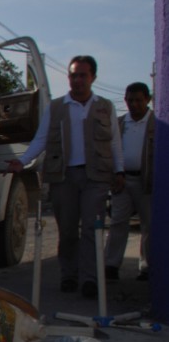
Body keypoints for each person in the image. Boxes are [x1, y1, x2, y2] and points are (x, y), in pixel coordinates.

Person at [8, 55, 124, 299]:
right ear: (68, 78)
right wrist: (24, 160)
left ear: (93, 77)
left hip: (96, 177)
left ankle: (91, 279)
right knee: (68, 230)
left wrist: (119, 171)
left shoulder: (105, 106)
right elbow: (41, 138)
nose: (78, 80)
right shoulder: (57, 106)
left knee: (93, 229)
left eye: (83, 75)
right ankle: (69, 275)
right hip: (63, 176)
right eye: (73, 75)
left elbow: (114, 142)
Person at [104, 82, 154, 281]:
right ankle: (111, 265)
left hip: (146, 181)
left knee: (148, 225)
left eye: (138, 100)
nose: (134, 104)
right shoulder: (119, 123)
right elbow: (109, 152)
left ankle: (147, 266)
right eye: (130, 100)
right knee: (117, 222)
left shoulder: (156, 124)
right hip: (122, 180)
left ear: (147, 100)